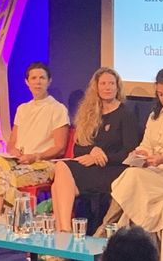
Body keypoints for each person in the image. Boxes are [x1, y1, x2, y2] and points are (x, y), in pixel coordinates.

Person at [95, 67, 163, 236]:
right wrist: (140, 154)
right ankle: (122, 236)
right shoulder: (155, 116)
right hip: (154, 173)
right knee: (133, 176)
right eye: (160, 94)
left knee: (132, 178)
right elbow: (145, 145)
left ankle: (106, 229)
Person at [0, 62, 69, 222]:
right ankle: (0, 219)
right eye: (33, 78)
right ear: (27, 82)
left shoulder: (57, 109)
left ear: (49, 81)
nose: (38, 82)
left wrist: (35, 156)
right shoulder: (22, 109)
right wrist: (14, 152)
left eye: (42, 78)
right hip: (20, 162)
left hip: (43, 165)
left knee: (2, 176)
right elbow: (12, 143)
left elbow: (60, 147)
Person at [51, 67, 141, 232]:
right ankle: (64, 230)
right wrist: (92, 150)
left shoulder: (125, 114)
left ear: (117, 87)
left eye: (111, 83)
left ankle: (63, 234)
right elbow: (78, 149)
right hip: (92, 168)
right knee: (61, 169)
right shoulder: (90, 113)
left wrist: (102, 157)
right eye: (103, 83)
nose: (107, 87)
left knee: (60, 182)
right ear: (96, 88)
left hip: (115, 169)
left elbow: (129, 152)